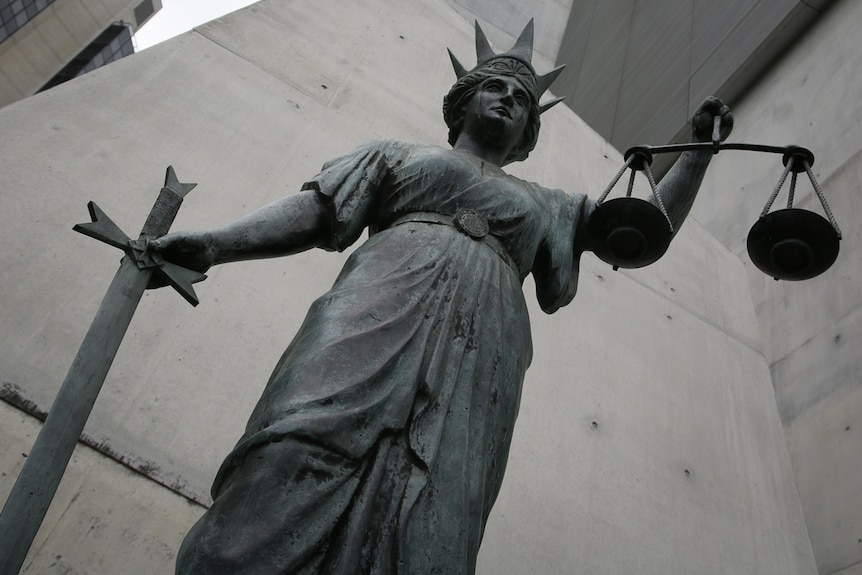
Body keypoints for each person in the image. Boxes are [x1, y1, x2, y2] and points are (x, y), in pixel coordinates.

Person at [155, 20, 732, 575]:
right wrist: (214, 244)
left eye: (522, 99)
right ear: (463, 103)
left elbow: (643, 229)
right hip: (373, 311)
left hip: (480, 354)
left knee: (439, 502)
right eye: (494, 88)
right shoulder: (394, 155)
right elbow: (316, 211)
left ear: (530, 129)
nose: (508, 99)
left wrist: (698, 154)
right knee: (295, 447)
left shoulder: (549, 204)